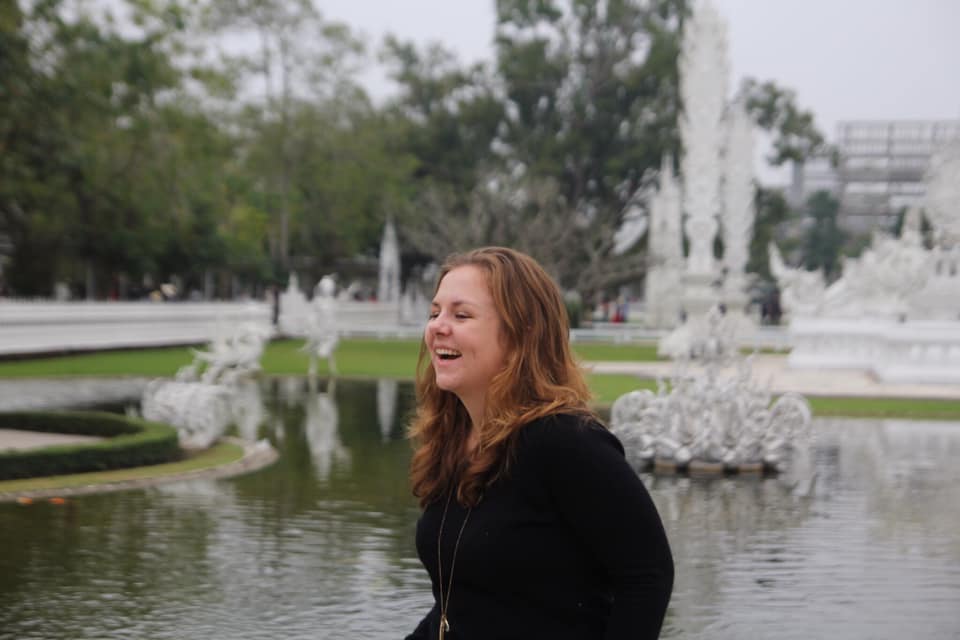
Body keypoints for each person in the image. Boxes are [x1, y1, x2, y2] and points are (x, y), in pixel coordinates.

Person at [405, 247, 674, 640]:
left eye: (461, 315)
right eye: (435, 313)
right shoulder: (453, 440)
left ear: (520, 335)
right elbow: (461, 601)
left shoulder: (564, 442)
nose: (437, 327)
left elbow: (647, 575)